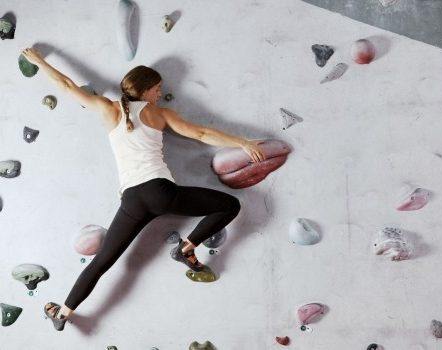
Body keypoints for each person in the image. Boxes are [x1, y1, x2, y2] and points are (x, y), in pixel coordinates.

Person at [21, 48, 265, 331]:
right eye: (158, 88)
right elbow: (201, 134)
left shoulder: (107, 108)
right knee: (229, 205)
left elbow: (67, 86)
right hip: (160, 192)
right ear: (147, 89)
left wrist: (39, 61)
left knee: (102, 261)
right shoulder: (159, 114)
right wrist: (243, 143)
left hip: (132, 201)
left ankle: (62, 313)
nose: (159, 94)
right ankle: (187, 248)